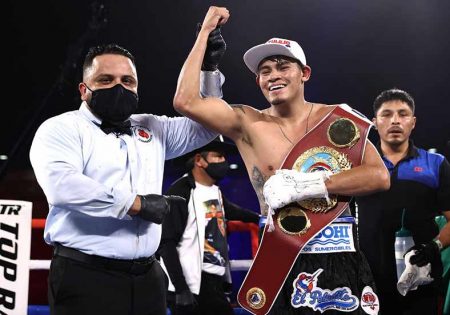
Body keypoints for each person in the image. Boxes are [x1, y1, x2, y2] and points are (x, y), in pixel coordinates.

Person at [172, 6, 390, 314]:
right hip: (279, 259)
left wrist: (310, 184)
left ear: (304, 73)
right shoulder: (246, 122)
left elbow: (379, 177)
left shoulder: (337, 119)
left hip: (341, 254)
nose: (272, 75)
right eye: (264, 71)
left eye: (282, 66)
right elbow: (185, 101)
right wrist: (204, 36)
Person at [29, 43, 225, 315]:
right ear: (84, 90)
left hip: (149, 279)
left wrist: (209, 71)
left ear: (136, 88)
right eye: (105, 80)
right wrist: (138, 204)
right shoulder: (61, 128)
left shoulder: (152, 127)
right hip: (86, 277)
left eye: (127, 80)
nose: (118, 87)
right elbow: (63, 185)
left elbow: (211, 124)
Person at [356, 88, 450, 315]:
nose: (395, 120)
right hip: (366, 279)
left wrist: (432, 247)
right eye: (386, 114)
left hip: (421, 277)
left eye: (403, 114)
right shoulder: (356, 165)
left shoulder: (435, 164)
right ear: (374, 123)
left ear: (413, 122)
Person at [158, 136, 260, 315]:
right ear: (199, 161)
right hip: (190, 284)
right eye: (218, 157)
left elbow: (232, 210)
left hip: (214, 280)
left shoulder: (214, 190)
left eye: (224, 157)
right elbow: (167, 242)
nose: (224, 162)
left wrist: (260, 219)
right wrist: (180, 288)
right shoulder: (180, 192)